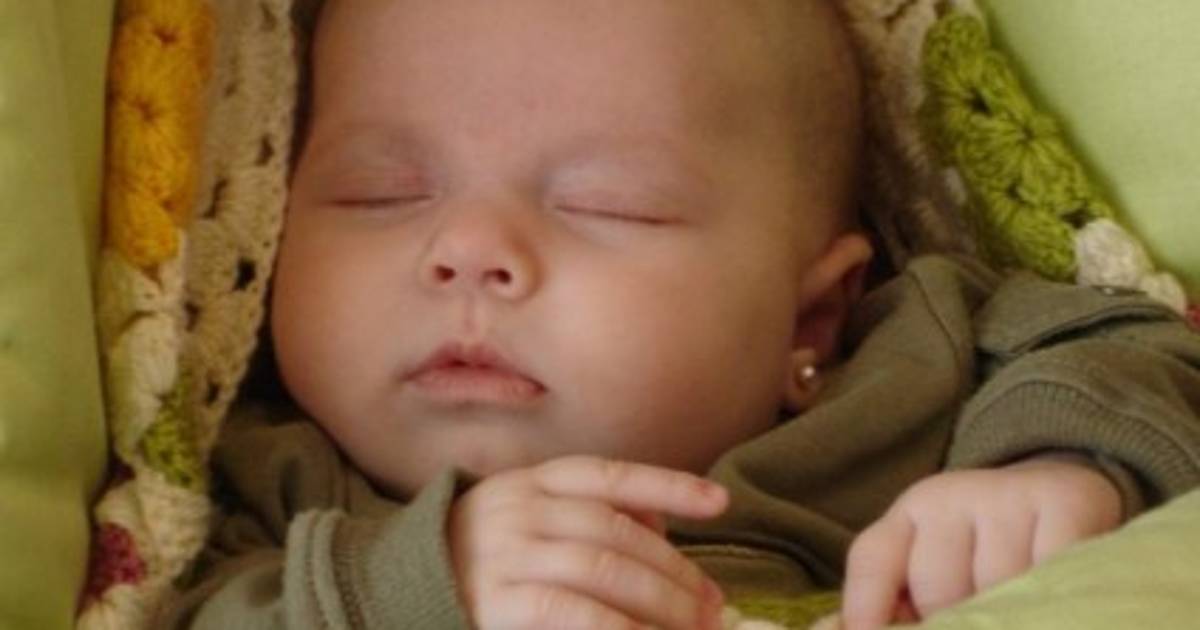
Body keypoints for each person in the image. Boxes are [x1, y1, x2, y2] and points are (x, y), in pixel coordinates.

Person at [162, 0, 1200, 628]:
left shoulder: (902, 384)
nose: (467, 248)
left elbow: (1123, 339)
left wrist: (1052, 473)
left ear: (812, 321)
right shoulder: (283, 494)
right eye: (380, 192)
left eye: (607, 205)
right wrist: (417, 589)